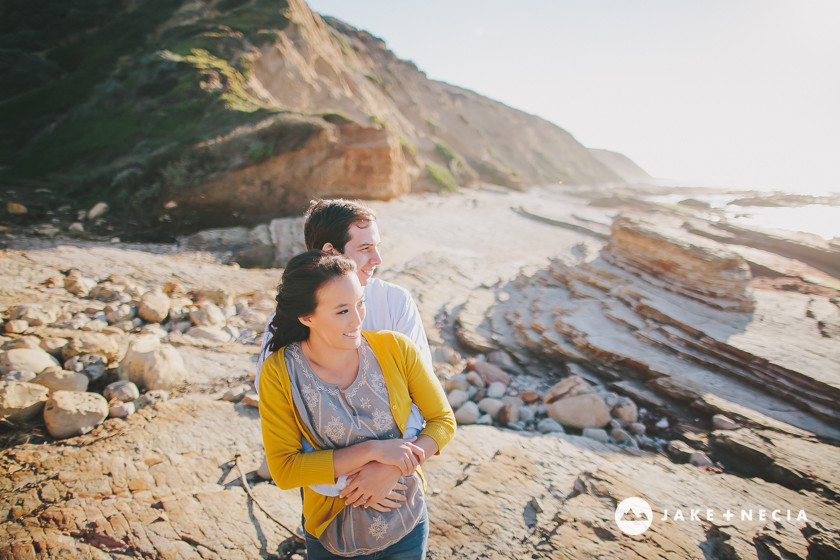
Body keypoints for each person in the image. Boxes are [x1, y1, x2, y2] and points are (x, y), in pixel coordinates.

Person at [259, 251, 456, 558]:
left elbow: (442, 421)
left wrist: (391, 470)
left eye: (360, 302)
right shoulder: (280, 373)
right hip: (331, 534)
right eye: (341, 311)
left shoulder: (397, 349)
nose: (358, 319)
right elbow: (285, 470)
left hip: (407, 525)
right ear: (306, 317)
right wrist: (373, 452)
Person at [255, 199, 432, 496]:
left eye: (376, 246)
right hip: (325, 486)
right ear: (329, 252)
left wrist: (389, 468)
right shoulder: (294, 315)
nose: (377, 258)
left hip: (399, 479)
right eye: (364, 249)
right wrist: (342, 482)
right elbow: (279, 402)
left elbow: (423, 398)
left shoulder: (395, 302)